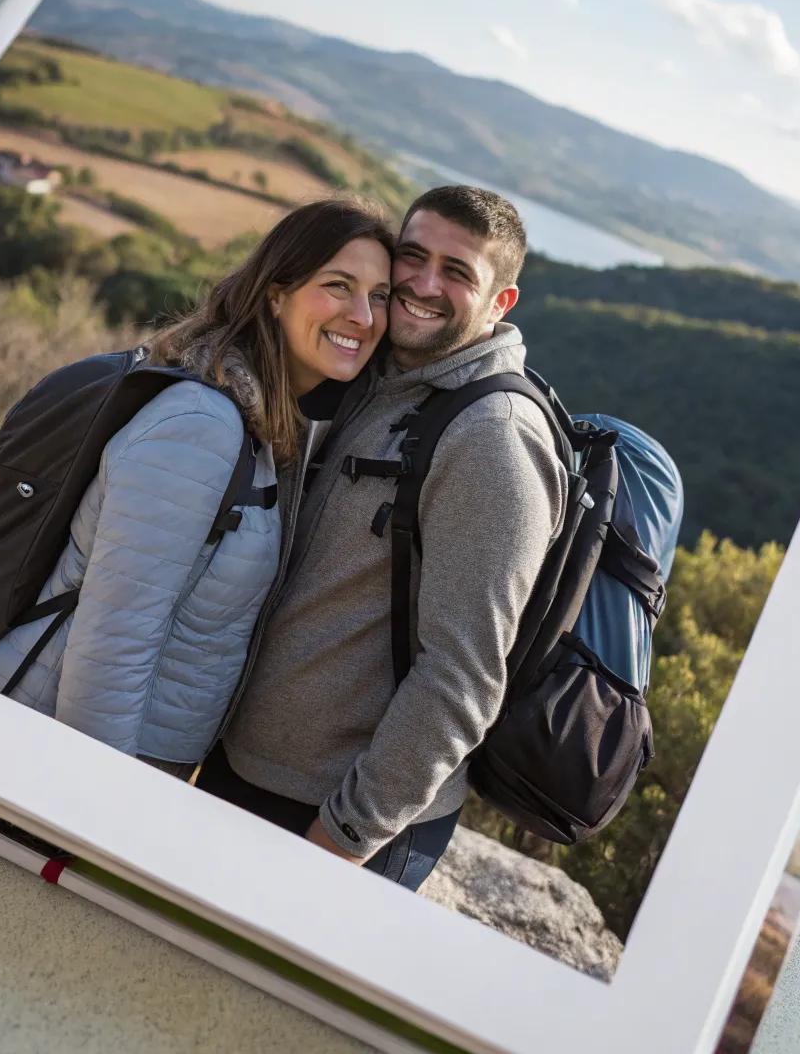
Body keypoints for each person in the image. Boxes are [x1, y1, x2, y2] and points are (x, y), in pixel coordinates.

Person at [197, 185, 568, 890]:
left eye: (457, 273)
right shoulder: (378, 379)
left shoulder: (493, 442)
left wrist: (340, 840)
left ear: (500, 303)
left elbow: (460, 681)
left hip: (332, 820)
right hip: (252, 773)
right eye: (413, 257)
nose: (425, 286)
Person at [0, 198, 393, 773]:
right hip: (57, 746)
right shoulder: (201, 426)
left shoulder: (260, 427)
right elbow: (115, 638)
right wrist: (98, 798)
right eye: (339, 286)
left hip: (136, 751)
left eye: (379, 297)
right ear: (276, 294)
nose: (363, 317)